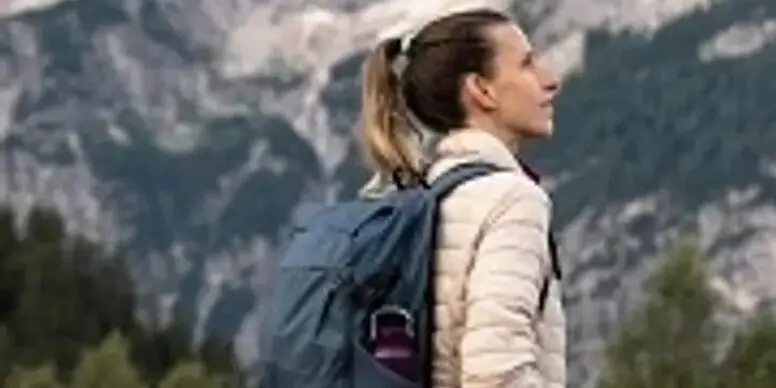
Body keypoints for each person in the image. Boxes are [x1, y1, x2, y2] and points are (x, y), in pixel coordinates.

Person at [358, 7, 565, 388]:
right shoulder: (512, 200)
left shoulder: (427, 194)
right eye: (527, 65)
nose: (551, 81)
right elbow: (495, 374)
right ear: (481, 90)